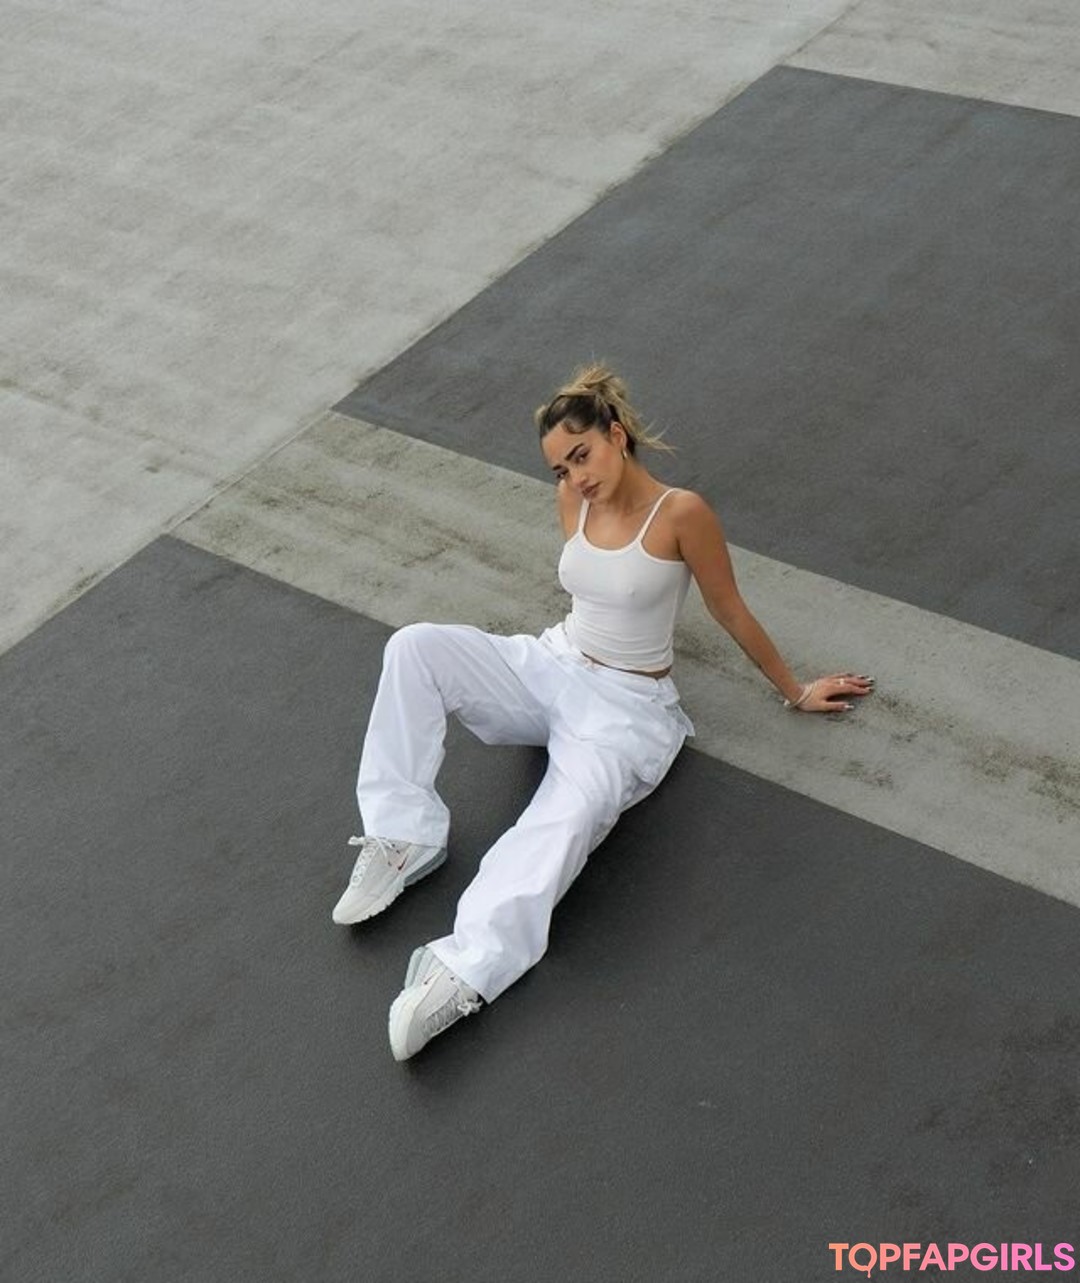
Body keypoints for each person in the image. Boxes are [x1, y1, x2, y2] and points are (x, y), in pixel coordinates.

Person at [332, 365, 874, 1060]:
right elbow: (589, 591)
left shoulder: (682, 514)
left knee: (566, 815)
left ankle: (469, 965)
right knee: (416, 647)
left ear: (617, 436)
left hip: (626, 708)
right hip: (554, 662)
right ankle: (404, 836)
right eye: (561, 468)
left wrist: (794, 690)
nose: (574, 477)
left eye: (581, 456)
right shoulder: (574, 501)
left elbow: (729, 609)